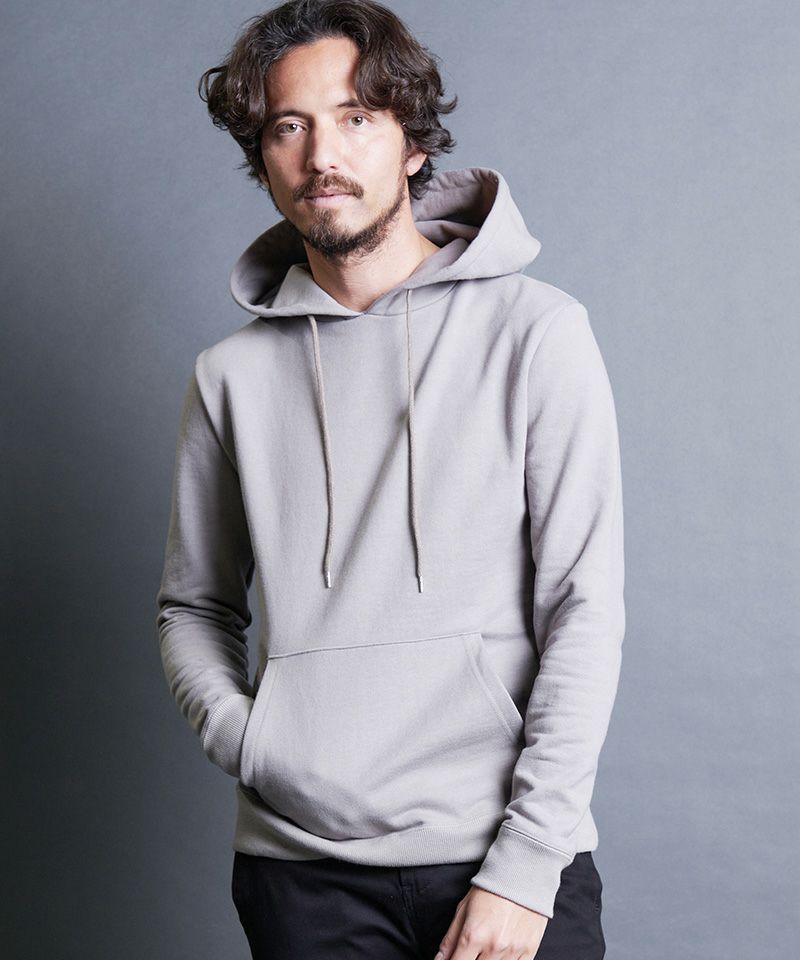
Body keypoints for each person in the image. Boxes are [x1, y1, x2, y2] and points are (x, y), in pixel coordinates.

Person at [155, 1, 625, 957]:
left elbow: (583, 608)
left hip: (503, 858)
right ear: (264, 159)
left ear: (413, 143)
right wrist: (251, 741)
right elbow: (194, 608)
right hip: (301, 875)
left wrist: (528, 862)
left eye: (357, 117)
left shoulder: (537, 333)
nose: (323, 154)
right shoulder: (230, 376)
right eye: (289, 127)